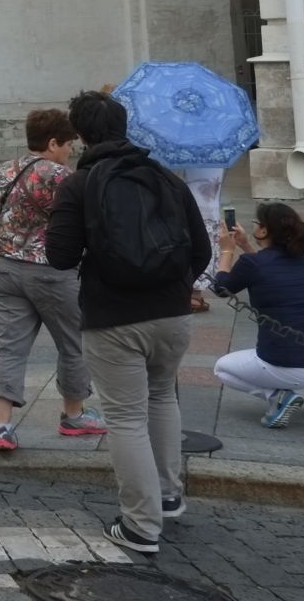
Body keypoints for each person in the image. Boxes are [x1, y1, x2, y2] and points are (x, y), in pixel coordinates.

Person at [45, 91, 211, 556]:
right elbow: (200, 248)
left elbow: (58, 255)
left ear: (79, 135)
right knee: (162, 396)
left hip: (114, 315)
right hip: (172, 312)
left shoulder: (79, 184)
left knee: (125, 417)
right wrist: (172, 285)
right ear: (125, 126)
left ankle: (141, 524)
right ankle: (169, 493)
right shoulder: (164, 177)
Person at [0, 108, 106, 452]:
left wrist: (0, 244)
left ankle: (1, 427)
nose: (70, 151)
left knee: (7, 345)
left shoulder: (2, 170)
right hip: (52, 271)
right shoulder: (63, 177)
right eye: (67, 144)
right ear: (52, 142)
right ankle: (73, 416)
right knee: (72, 341)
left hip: (6, 270)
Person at [212, 202, 304, 426]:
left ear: (263, 230)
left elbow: (222, 288)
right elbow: (265, 269)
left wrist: (227, 250)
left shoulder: (252, 264)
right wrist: (245, 244)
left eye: (257, 223)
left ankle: (277, 396)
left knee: (222, 368)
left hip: (283, 366)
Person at [180, 166, 229, 313]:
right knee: (204, 244)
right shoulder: (215, 149)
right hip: (207, 209)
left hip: (189, 209)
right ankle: (194, 294)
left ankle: (189, 293)